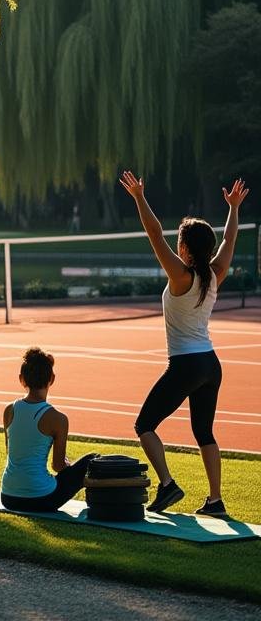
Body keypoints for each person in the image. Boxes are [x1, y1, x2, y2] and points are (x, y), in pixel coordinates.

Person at [120, 171, 248, 515]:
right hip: (210, 364)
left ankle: (167, 485)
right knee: (204, 432)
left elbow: (153, 233)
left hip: (186, 364)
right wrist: (234, 208)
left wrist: (139, 197)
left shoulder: (180, 276)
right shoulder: (215, 274)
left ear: (185, 249)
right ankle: (215, 500)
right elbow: (229, 240)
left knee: (144, 425)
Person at [0, 347, 97, 512]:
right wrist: (68, 466)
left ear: (21, 379)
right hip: (42, 498)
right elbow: (58, 466)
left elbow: (12, 451)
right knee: (92, 460)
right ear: (52, 379)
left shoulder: (9, 410)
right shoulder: (58, 419)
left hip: (8, 497)